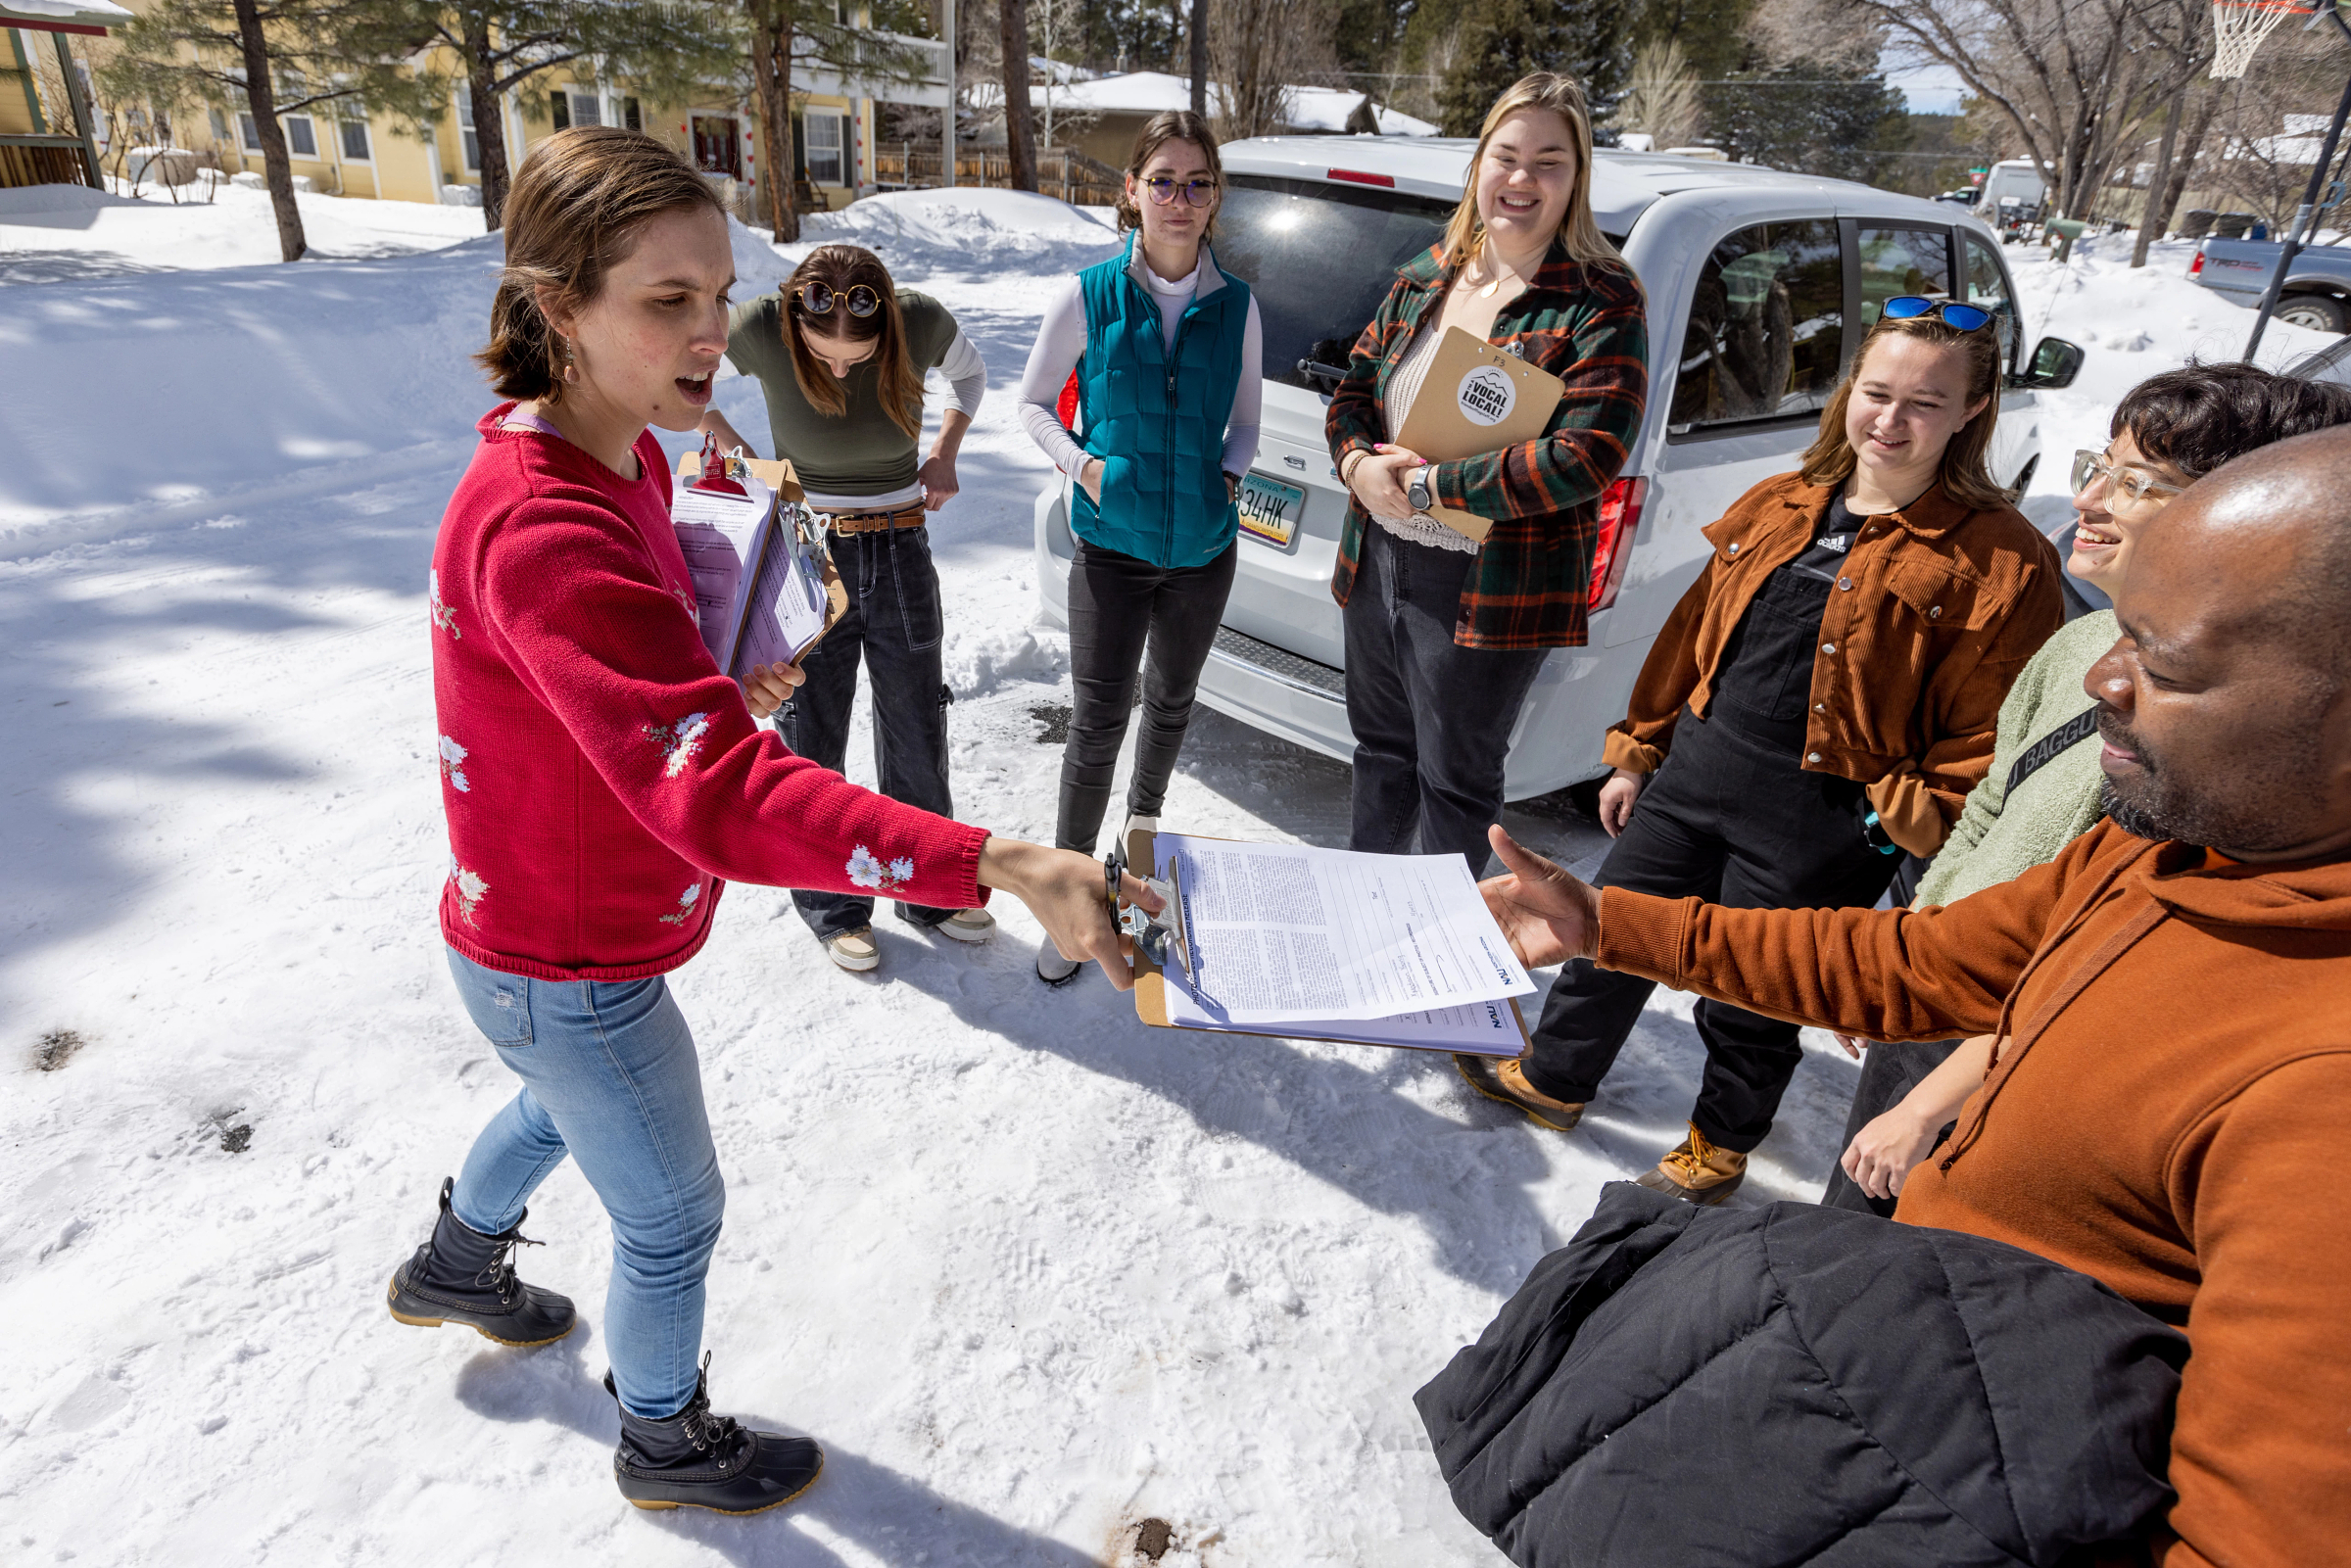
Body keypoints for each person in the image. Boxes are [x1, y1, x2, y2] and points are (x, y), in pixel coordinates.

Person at [384, 127, 1157, 1515]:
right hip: (571, 962)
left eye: (716, 290)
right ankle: (665, 1438)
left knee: (561, 1109)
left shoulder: (617, 454)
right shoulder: (545, 516)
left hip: (534, 946)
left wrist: (713, 673)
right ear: (557, 306)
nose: (707, 333)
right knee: (670, 1214)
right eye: (662, 301)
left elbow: (619, 693)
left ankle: (457, 1262)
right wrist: (993, 854)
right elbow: (720, 794)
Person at [1475, 427, 2351, 1564]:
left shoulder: (2320, 1092)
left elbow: (2257, 1535)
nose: (2102, 680)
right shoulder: (2175, 852)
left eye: (2166, 664)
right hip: (1904, 1398)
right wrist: (1610, 924)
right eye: (2122, 629)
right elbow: (1915, 963)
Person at [1459, 299, 2063, 1205]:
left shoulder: (2003, 559)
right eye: (1877, 392)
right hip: (1701, 765)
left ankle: (1720, 1143)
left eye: (1925, 404)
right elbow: (1693, 632)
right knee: (1605, 923)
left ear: (1973, 410)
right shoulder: (1782, 501)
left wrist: (1922, 815)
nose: (1890, 422)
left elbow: (1993, 723)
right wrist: (1639, 749)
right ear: (1849, 390)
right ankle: (1555, 1077)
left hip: (1820, 817)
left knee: (1757, 990)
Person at [1826, 362, 2351, 1215]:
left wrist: (1928, 1104)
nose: (2091, 499)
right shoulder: (2074, 649)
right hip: (1944, 997)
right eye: (2096, 467)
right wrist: (1910, 951)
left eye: (2139, 483)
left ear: (2243, 516)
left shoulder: (2211, 737)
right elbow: (1989, 807)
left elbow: (2090, 950)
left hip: (2012, 1057)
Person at [1328, 72, 1647, 879]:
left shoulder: (1599, 298)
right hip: (1377, 561)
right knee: (1380, 753)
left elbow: (1588, 453)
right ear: (1479, 164)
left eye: (1549, 161)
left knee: (1456, 783)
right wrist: (1359, 464)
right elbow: (1354, 390)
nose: (1521, 178)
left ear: (1576, 180)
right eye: (1506, 155)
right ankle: (1368, 918)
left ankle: (1438, 977)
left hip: (1487, 581)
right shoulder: (1429, 273)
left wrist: (1432, 487)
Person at [696, 245, 993, 974]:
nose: (835, 369)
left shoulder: (915, 318)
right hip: (804, 554)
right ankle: (832, 908)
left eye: (852, 360)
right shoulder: (763, 324)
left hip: (900, 546)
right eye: (819, 355)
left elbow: (972, 374)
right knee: (809, 730)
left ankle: (926, 891)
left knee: (916, 721)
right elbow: (684, 378)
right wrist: (747, 466)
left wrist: (945, 451)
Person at [1016, 109, 1263, 983]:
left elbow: (1244, 427)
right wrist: (1084, 469)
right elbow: (1035, 403)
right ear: (1132, 192)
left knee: (1171, 706)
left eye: (1198, 183)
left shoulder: (1237, 306)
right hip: (1112, 549)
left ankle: (1139, 847)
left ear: (1214, 198)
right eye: (1163, 180)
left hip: (1201, 552)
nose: (1180, 199)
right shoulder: (1088, 295)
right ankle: (1068, 889)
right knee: (1097, 721)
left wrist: (1221, 485)